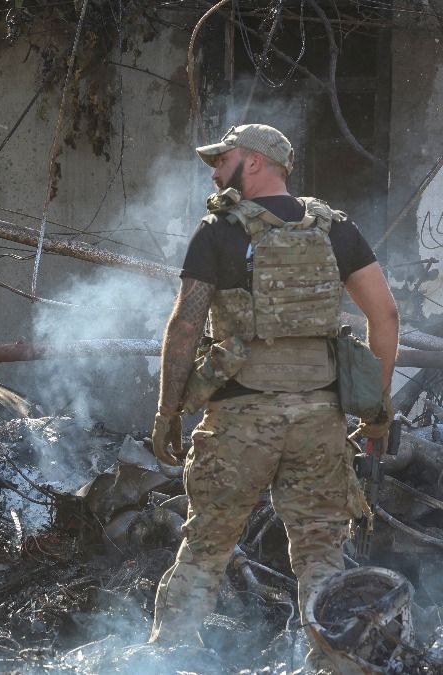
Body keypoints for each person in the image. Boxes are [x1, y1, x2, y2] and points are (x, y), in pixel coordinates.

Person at [148, 124, 399, 666]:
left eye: (224, 159)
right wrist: (376, 411)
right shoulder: (336, 230)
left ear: (257, 162)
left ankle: (166, 662)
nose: (215, 171)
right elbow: (386, 316)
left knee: (206, 548)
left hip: (240, 419)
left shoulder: (218, 231)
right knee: (320, 554)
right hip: (320, 419)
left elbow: (185, 326)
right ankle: (339, 661)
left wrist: (169, 411)